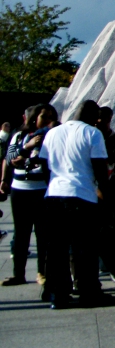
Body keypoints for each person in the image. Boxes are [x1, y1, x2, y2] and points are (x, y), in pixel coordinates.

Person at [38, 99, 111, 309]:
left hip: (54, 195)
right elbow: (100, 169)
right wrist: (105, 196)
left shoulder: (53, 133)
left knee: (56, 249)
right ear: (93, 116)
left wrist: (52, 184)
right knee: (84, 248)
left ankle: (58, 295)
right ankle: (88, 292)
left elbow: (44, 164)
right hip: (82, 195)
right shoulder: (92, 134)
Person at [0, 105, 51, 286]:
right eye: (43, 117)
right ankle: (18, 274)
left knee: (43, 234)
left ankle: (41, 272)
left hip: (41, 189)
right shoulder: (19, 135)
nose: (46, 121)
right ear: (34, 117)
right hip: (20, 188)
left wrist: (27, 159)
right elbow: (11, 158)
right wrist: (28, 147)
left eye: (49, 117)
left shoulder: (50, 136)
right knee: (21, 233)